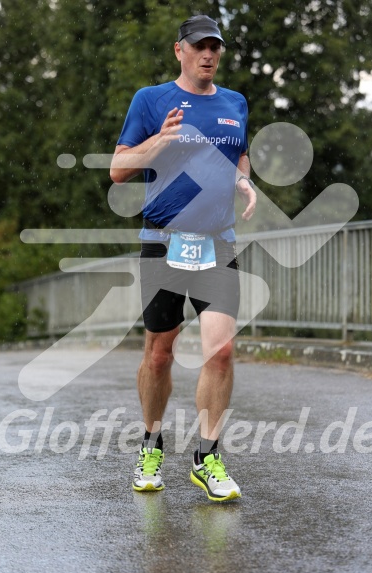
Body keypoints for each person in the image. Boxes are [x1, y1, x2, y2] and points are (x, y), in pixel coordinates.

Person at [110, 15, 257, 502]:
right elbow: (118, 170)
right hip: (164, 240)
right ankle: (151, 443)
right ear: (179, 50)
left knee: (221, 350)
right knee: (159, 355)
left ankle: (207, 455)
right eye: (199, 47)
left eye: (214, 47)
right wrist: (158, 142)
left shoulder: (235, 102)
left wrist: (243, 180)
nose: (208, 55)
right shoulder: (150, 101)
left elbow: (238, 152)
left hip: (218, 241)